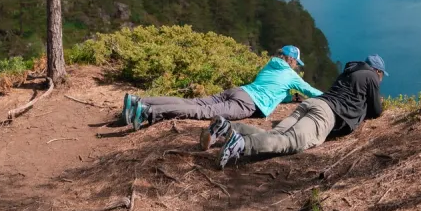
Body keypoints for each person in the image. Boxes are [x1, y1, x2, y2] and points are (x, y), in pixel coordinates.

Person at [210, 54, 387, 170]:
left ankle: (227, 127)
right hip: (326, 113)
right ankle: (240, 144)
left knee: (275, 135)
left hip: (312, 103)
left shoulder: (349, 72)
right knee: (289, 141)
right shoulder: (371, 76)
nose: (380, 78)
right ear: (377, 71)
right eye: (381, 75)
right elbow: (376, 110)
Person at [122, 45, 323, 133]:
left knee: (195, 103)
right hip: (247, 103)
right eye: (296, 62)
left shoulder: (270, 65)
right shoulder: (291, 75)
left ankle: (139, 101)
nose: (297, 65)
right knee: (200, 112)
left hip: (239, 91)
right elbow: (314, 92)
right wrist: (336, 98)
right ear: (291, 60)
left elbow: (271, 90)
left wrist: (288, 99)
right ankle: (149, 113)